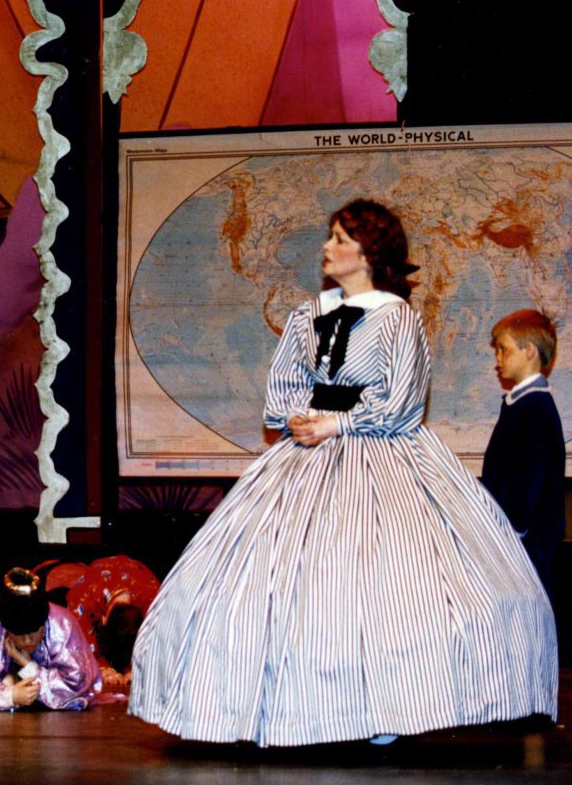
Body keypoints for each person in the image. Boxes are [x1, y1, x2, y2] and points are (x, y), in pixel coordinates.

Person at [130, 199, 558, 746]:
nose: (327, 248)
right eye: (329, 237)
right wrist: (297, 417)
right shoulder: (310, 313)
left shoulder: (397, 317)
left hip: (380, 453)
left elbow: (402, 401)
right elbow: (284, 382)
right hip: (306, 456)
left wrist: (339, 425)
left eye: (339, 238)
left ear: (369, 251)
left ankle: (383, 708)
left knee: (384, 586)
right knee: (271, 586)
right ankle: (268, 708)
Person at [482, 309, 566, 598]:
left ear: (529, 351)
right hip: (519, 544)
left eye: (504, 350)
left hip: (526, 548)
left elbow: (527, 486)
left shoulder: (535, 409)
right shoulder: (521, 404)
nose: (498, 359)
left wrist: (507, 538)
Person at [0, 568, 100, 711]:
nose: (28, 641)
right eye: (19, 634)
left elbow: (77, 683)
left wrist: (28, 665)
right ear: (7, 629)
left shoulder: (63, 624)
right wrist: (11, 696)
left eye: (34, 631)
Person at [65, 555, 160, 685]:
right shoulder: (82, 600)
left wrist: (138, 668)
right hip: (93, 584)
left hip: (139, 575)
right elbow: (78, 647)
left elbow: (160, 643)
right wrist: (102, 669)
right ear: (103, 620)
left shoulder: (155, 602)